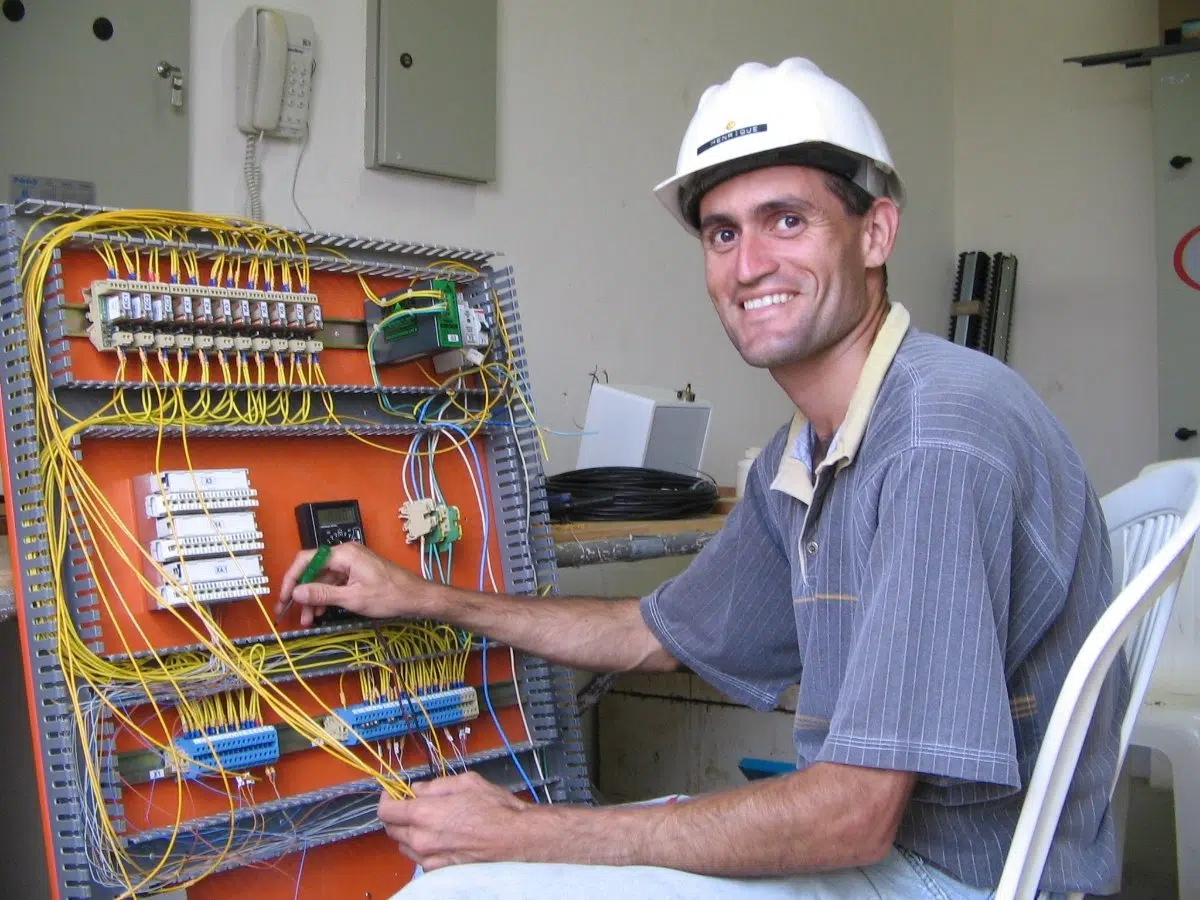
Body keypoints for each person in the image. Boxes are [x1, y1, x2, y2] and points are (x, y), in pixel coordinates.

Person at [277, 58, 1128, 900]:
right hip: (884, 849)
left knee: (459, 890)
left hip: (959, 876)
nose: (748, 264)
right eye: (723, 233)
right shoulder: (811, 451)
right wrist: (424, 598)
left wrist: (528, 830)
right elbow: (652, 634)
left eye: (786, 220)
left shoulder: (935, 439)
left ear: (876, 233)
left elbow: (853, 816)